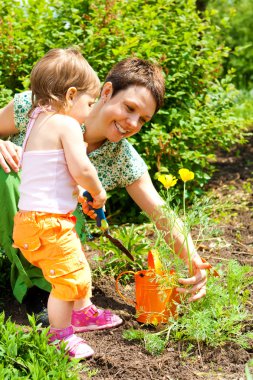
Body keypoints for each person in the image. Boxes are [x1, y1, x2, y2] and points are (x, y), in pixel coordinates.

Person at [0, 56, 209, 317]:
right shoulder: (39, 106)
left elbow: (160, 211)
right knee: (6, 170)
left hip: (51, 234)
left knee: (72, 202)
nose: (133, 124)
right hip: (13, 212)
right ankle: (38, 287)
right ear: (107, 92)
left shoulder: (121, 157)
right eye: (129, 108)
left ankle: (52, 289)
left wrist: (194, 261)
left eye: (143, 120)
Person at [11, 47, 122, 359]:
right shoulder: (67, 124)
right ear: (71, 95)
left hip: (32, 221)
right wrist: (97, 192)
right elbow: (82, 168)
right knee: (69, 279)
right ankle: (60, 335)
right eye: (89, 102)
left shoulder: (36, 120)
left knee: (76, 267)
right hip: (49, 222)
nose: (89, 111)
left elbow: (54, 171)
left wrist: (77, 193)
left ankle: (83, 312)